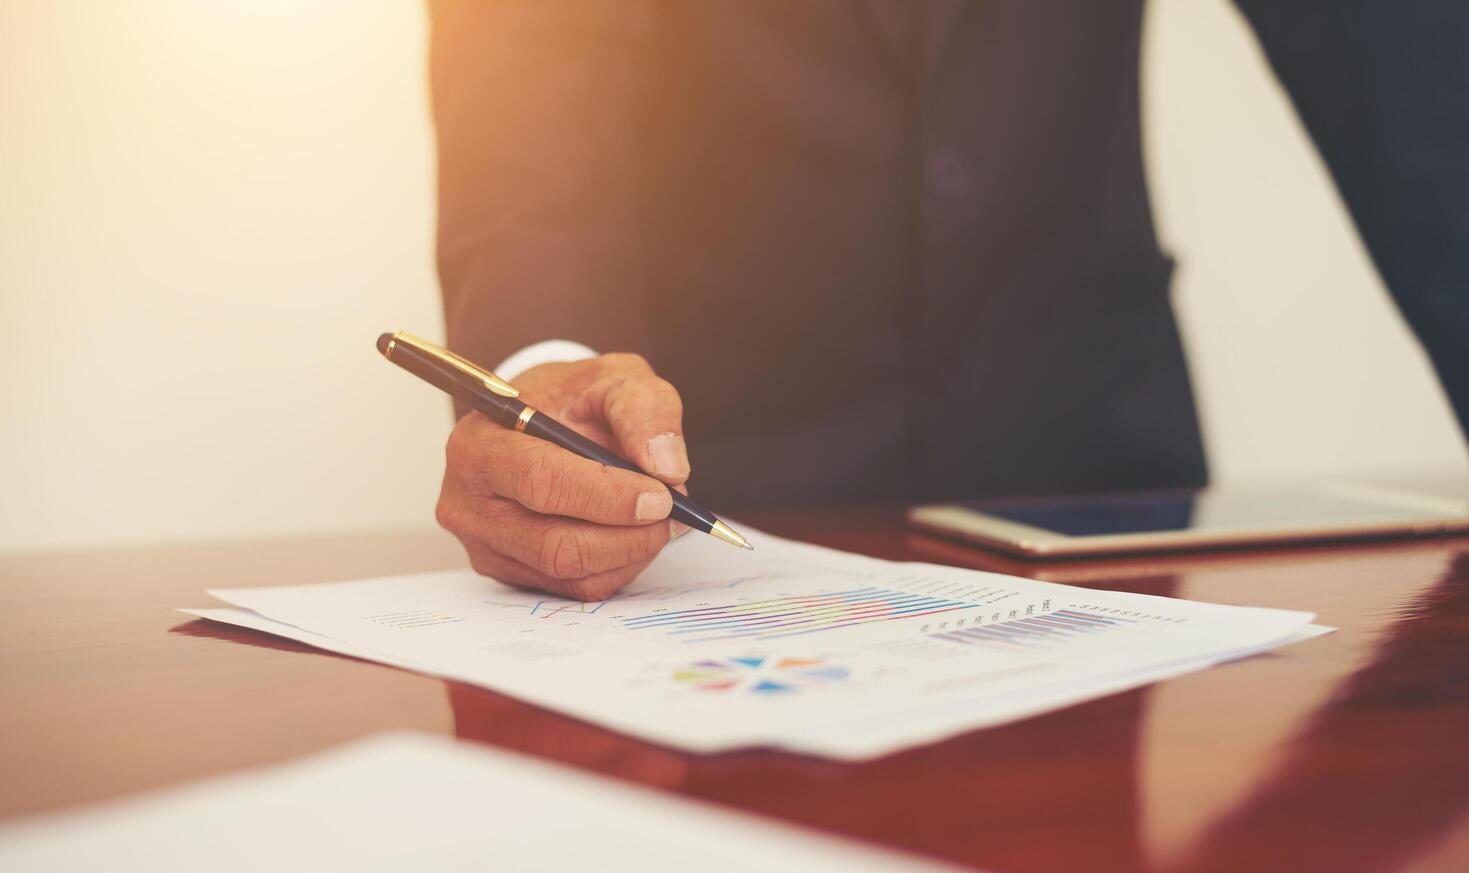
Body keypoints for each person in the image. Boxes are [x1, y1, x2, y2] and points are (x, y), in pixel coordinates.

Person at [427, 1, 1469, 600]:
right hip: (700, 506)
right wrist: (540, 364)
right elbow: (530, 52)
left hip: (1099, 503)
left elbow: (1408, 79)